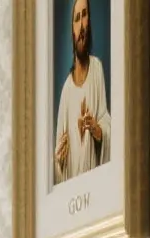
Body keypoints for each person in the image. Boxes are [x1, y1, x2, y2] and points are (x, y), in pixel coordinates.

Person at [53, 0, 110, 184]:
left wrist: (97, 130)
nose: (81, 24)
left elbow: (106, 122)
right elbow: (58, 165)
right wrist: (58, 161)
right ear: (72, 30)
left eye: (85, 15)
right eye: (77, 18)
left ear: (90, 22)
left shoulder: (97, 68)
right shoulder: (66, 93)